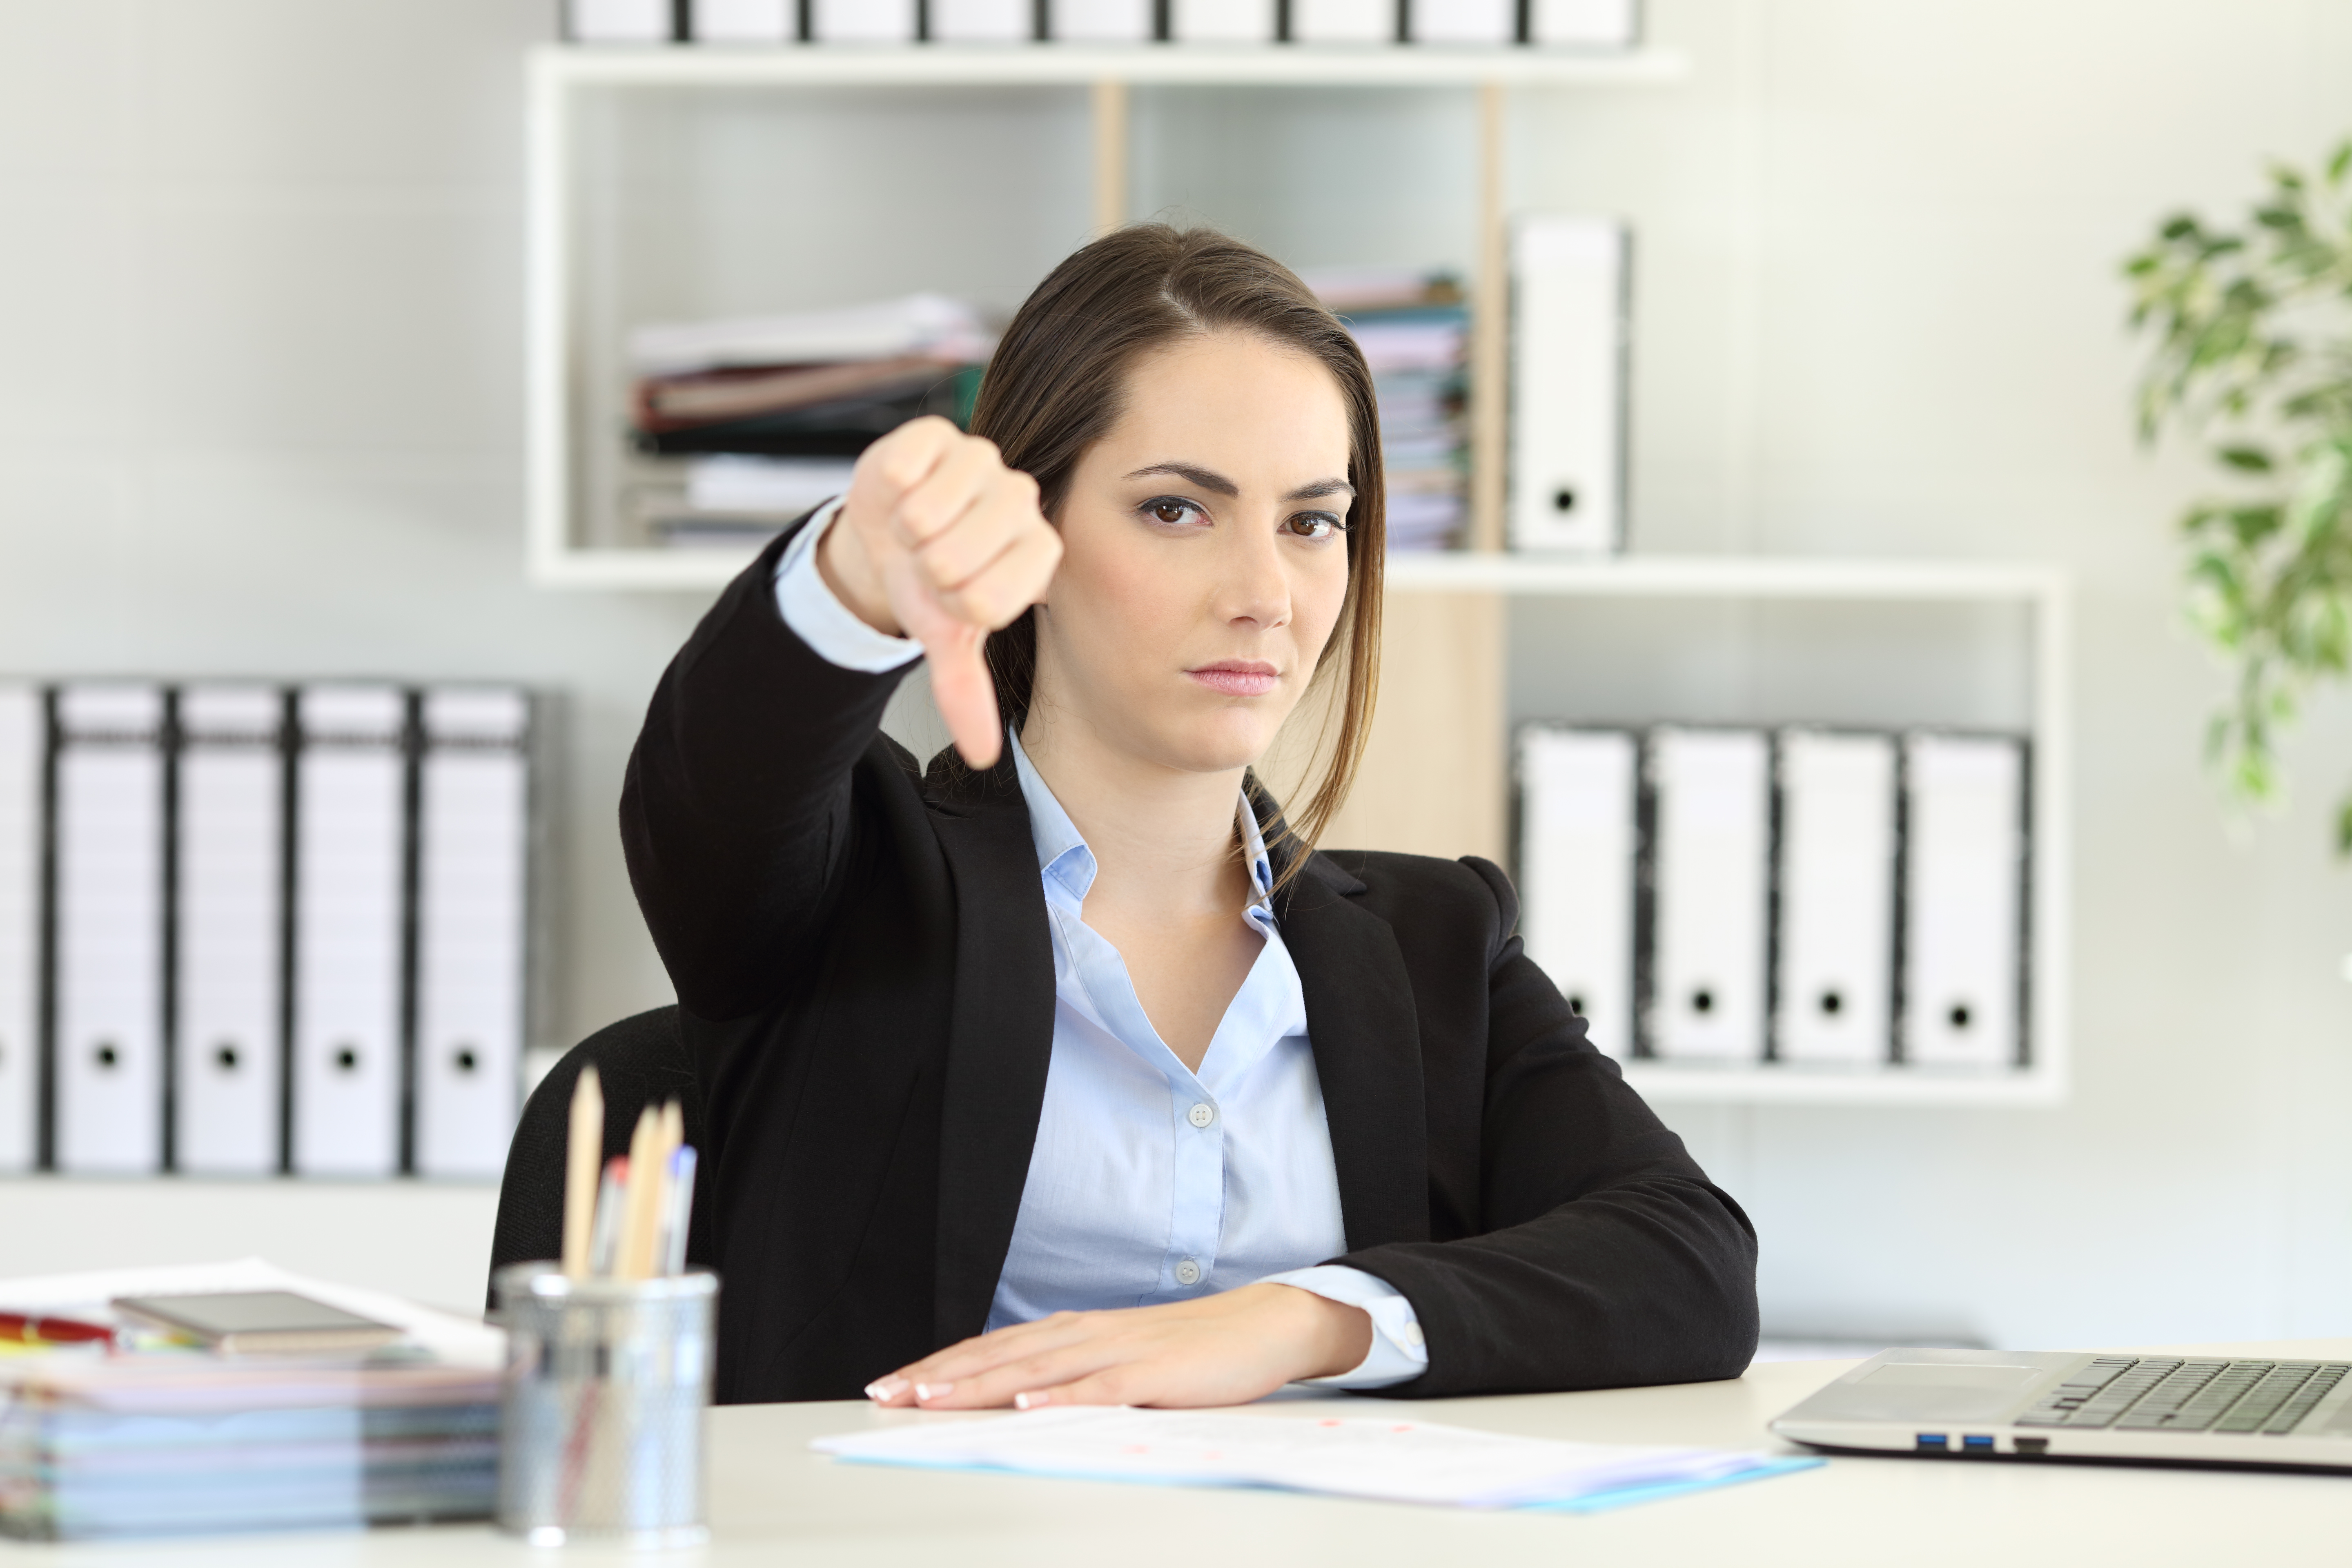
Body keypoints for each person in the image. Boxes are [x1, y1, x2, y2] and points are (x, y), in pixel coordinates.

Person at [621, 223, 1757, 1410]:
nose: (1264, 595)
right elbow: (711, 780)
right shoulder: (854, 888)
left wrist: (1303, 1320)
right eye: (1176, 511)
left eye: (1312, 521)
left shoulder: (1437, 945)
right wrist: (857, 573)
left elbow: (1688, 1264)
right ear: (1034, 531)